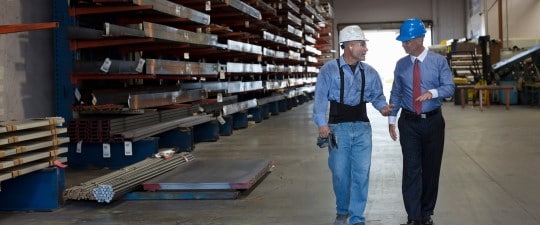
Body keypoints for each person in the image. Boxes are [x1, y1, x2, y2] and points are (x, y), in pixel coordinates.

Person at [313, 25, 394, 225]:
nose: (365, 49)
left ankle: (357, 217)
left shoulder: (370, 72)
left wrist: (383, 108)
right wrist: (322, 124)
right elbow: (320, 100)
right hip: (337, 128)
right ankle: (342, 211)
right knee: (340, 173)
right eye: (362, 44)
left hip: (362, 128)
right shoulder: (329, 70)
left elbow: (377, 97)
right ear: (349, 46)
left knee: (361, 173)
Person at [388, 18, 455, 225]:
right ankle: (413, 218)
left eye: (407, 40)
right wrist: (391, 119)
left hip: (433, 122)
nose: (404, 44)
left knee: (431, 169)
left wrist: (432, 93)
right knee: (411, 170)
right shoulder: (401, 65)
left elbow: (450, 88)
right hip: (408, 123)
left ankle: (426, 215)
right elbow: (397, 93)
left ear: (419, 39)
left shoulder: (438, 62)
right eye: (403, 41)